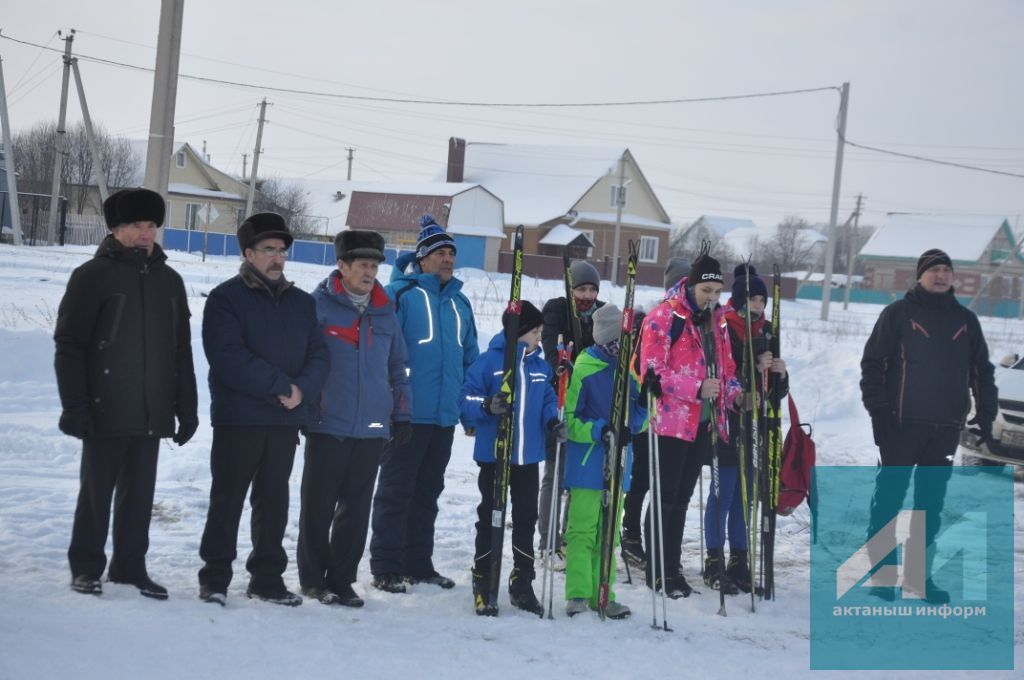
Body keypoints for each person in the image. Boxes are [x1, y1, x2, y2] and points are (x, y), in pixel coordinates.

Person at [55, 188, 198, 599]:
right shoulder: (92, 276)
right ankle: (86, 567)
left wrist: (185, 407)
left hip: (152, 408)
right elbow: (70, 345)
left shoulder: (170, 281)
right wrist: (75, 406)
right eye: (136, 225)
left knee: (140, 496)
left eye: (152, 225)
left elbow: (180, 349)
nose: (145, 233)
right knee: (97, 492)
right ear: (116, 229)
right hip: (105, 406)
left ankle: (130, 567)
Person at [197, 213, 329, 607]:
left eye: (282, 250)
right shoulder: (226, 299)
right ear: (248, 253)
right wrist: (281, 387)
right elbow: (227, 357)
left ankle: (267, 578)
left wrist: (303, 389)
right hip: (239, 419)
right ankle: (215, 577)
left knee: (274, 503)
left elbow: (319, 354)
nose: (277, 258)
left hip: (284, 420)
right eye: (268, 250)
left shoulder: (301, 303)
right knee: (227, 500)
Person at [860, 248, 996, 604]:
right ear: (919, 275)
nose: (941, 275)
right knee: (888, 500)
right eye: (934, 269)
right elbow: (872, 365)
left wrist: (986, 413)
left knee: (929, 506)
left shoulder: (966, 321)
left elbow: (982, 371)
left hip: (944, 429)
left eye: (947, 270)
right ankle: (882, 577)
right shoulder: (898, 314)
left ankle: (919, 579)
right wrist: (879, 413)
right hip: (900, 426)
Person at [297, 230, 412, 608]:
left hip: (372, 426)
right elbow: (304, 362)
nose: (370, 271)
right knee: (318, 505)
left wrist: (402, 412)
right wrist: (306, 407)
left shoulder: (385, 310)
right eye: (362, 264)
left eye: (375, 264)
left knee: (356, 508)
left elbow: (398, 365)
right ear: (342, 265)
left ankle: (343, 580)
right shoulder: (317, 307)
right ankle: (314, 580)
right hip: (328, 421)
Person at [369, 214, 479, 593]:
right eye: (440, 253)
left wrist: (468, 410)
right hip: (406, 414)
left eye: (451, 252)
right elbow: (382, 353)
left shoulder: (460, 304)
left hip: (443, 417)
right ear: (422, 258)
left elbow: (470, 362)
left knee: (428, 493)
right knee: (395, 491)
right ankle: (386, 565)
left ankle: (418, 564)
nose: (448, 259)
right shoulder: (401, 295)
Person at [639, 245, 741, 599]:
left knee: (683, 497)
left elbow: (727, 369)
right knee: (666, 495)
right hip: (670, 420)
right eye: (705, 291)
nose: (711, 299)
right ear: (692, 287)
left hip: (703, 421)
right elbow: (651, 371)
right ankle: (658, 568)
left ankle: (672, 567)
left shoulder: (719, 322)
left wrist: (734, 392)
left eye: (716, 292)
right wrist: (696, 387)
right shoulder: (665, 317)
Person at [460, 301, 561, 616]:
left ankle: (522, 582)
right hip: (495, 456)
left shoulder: (540, 368)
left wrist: (552, 421)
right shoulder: (490, 362)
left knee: (526, 519)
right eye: (535, 332)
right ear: (519, 332)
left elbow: (547, 400)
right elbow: (466, 397)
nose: (539, 338)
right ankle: (484, 580)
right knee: (490, 515)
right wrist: (487, 405)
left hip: (528, 457)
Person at [706, 264, 787, 594]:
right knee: (724, 491)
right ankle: (714, 560)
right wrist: (751, 369)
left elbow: (776, 393)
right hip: (728, 422)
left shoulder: (767, 331)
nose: (757, 307)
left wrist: (779, 374)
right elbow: (724, 373)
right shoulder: (724, 327)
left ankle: (739, 559)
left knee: (747, 496)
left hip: (758, 424)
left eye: (761, 302)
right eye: (752, 300)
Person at [562, 303, 631, 619]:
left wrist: (638, 417)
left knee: (609, 532)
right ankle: (578, 593)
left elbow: (640, 414)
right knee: (583, 530)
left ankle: (603, 593)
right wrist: (598, 430)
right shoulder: (585, 368)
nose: (621, 347)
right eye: (617, 340)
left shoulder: (628, 369)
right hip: (588, 462)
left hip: (617, 463)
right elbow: (571, 420)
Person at [537, 260, 605, 563]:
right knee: (556, 474)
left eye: (592, 289)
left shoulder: (602, 313)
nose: (587, 295)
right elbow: (551, 347)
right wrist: (560, 364)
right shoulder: (557, 310)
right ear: (571, 289)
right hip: (562, 398)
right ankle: (548, 539)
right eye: (581, 288)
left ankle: (569, 537)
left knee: (579, 478)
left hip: (589, 406)